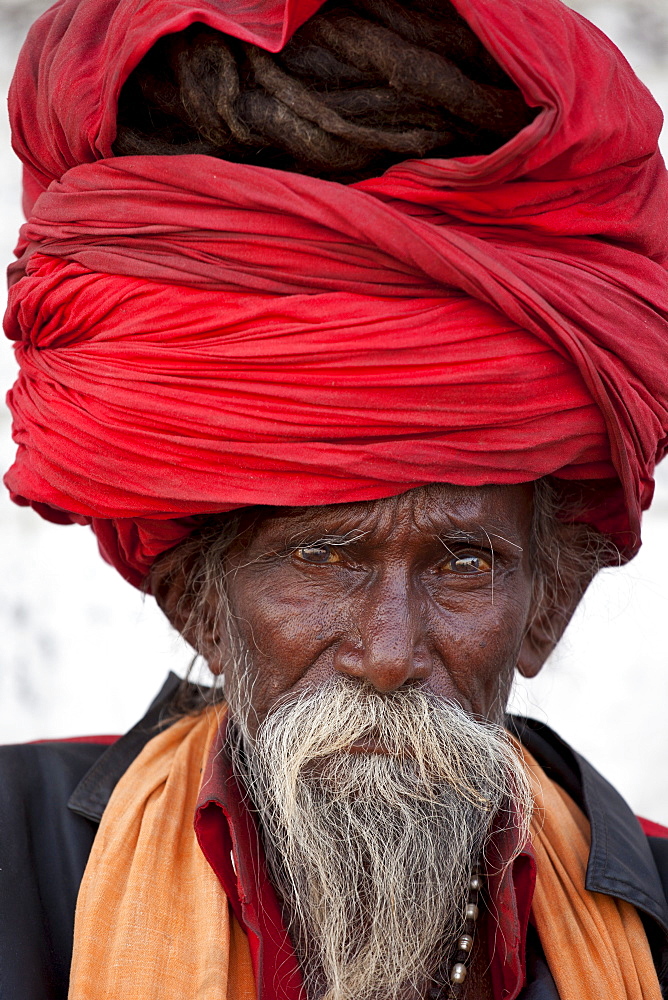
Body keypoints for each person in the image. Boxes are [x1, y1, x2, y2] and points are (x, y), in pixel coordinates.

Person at [1, 0, 668, 998]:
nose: (388, 651)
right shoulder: (17, 867)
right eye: (321, 558)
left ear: (546, 611)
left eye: (461, 564)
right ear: (200, 609)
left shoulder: (649, 911)